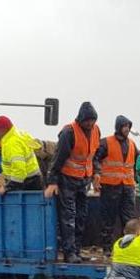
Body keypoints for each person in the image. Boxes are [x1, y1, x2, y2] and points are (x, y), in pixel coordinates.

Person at [45, 102, 101, 263]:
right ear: (81, 119)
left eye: (93, 120)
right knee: (68, 217)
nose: (90, 123)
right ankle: (69, 252)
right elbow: (57, 159)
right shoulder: (69, 132)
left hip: (84, 180)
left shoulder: (96, 131)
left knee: (81, 216)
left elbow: (94, 155)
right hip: (67, 180)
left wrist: (97, 172)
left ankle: (76, 250)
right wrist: (53, 181)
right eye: (87, 120)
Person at [94, 115, 138, 257]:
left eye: (128, 126)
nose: (127, 129)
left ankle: (128, 247)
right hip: (110, 187)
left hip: (128, 187)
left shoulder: (132, 144)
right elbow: (95, 159)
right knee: (108, 219)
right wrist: (97, 174)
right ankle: (107, 248)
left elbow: (136, 164)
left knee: (129, 219)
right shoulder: (106, 143)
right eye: (125, 126)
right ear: (118, 127)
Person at [0, 116, 44, 193]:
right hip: (32, 181)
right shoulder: (16, 135)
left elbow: (19, 171)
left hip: (28, 184)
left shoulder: (12, 143)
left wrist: (6, 188)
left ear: (3, 130)